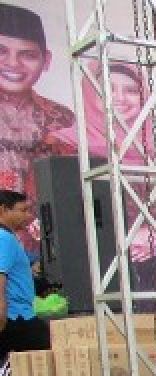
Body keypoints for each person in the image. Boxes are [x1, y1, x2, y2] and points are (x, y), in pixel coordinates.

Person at [45, 59, 156, 306]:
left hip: (155, 266)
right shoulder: (65, 145)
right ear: (90, 93)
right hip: (96, 265)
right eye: (108, 88)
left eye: (131, 90)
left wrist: (154, 233)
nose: (119, 98)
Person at [0, 3, 74, 257]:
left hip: (45, 251)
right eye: (2, 51)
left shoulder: (63, 120)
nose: (13, 64)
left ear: (46, 60)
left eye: (27, 55)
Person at [0, 189, 48, 357]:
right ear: (4, 210)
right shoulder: (3, 238)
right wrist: (1, 310)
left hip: (17, 315)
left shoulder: (8, 237)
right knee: (47, 352)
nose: (28, 216)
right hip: (16, 317)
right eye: (22, 210)